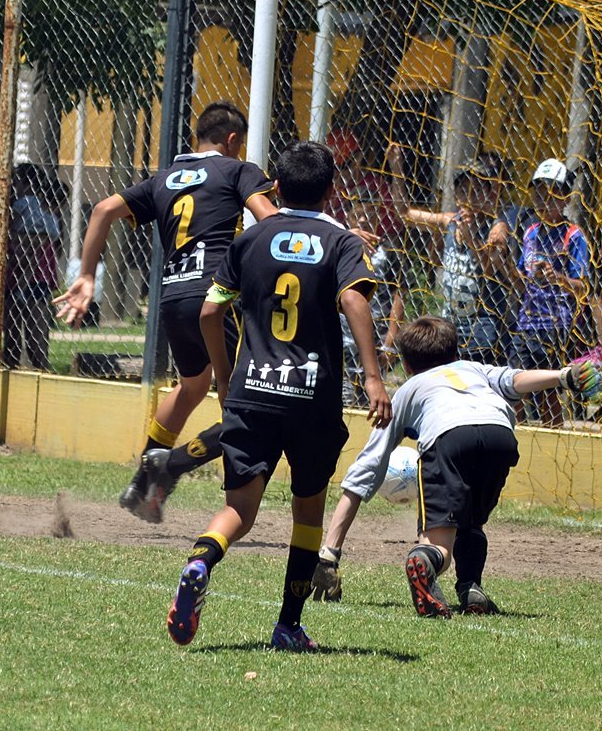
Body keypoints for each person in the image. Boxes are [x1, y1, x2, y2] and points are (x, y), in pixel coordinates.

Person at [166, 140, 393, 651]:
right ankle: (288, 625)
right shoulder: (341, 241)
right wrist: (373, 378)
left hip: (252, 392)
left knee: (239, 511)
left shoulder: (249, 239)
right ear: (330, 190)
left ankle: (201, 560)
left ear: (275, 187)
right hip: (312, 398)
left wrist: (225, 378)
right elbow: (354, 299)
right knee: (307, 514)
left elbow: (210, 311)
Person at [53, 101, 278, 523]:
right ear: (232, 140)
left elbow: (102, 210)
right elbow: (268, 219)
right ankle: (172, 464)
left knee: (192, 386)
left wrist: (86, 275)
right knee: (247, 406)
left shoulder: (165, 178)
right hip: (217, 297)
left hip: (174, 297)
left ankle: (143, 483)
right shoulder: (238, 170)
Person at [309, 315, 602, 616]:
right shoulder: (474, 369)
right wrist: (563, 376)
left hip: (449, 437)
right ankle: (471, 588)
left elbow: (368, 467)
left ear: (406, 365)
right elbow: (516, 380)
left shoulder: (408, 390)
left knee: (438, 548)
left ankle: (425, 560)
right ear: (455, 352)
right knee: (471, 522)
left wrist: (329, 554)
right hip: (500, 436)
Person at [407, 157, 522, 364]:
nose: (469, 197)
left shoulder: (495, 229)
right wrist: (397, 167)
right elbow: (405, 214)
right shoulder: (450, 221)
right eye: (463, 190)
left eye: (477, 190)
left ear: (489, 194)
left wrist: (470, 237)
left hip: (483, 330)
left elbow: (488, 270)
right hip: (450, 328)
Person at [323, 130, 408, 405]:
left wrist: (390, 342)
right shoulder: (329, 194)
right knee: (342, 397)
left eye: (346, 165)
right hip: (341, 336)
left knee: (369, 399)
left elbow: (398, 292)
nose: (341, 174)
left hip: (377, 330)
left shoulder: (375, 188)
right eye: (336, 168)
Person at [510, 159, 592, 428]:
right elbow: (521, 279)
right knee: (514, 382)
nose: (544, 201)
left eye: (552, 195)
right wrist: (503, 264)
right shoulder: (531, 232)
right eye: (538, 194)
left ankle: (553, 431)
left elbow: (582, 286)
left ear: (566, 198)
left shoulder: (573, 235)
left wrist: (556, 278)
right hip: (527, 320)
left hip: (556, 324)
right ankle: (519, 431)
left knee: (548, 389)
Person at [6, 163, 65, 370]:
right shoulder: (49, 210)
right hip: (38, 274)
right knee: (33, 329)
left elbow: (9, 222)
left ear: (27, 183)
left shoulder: (24, 203)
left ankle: (21, 363)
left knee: (19, 325)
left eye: (17, 182)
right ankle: (38, 364)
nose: (13, 186)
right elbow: (57, 242)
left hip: (27, 274)